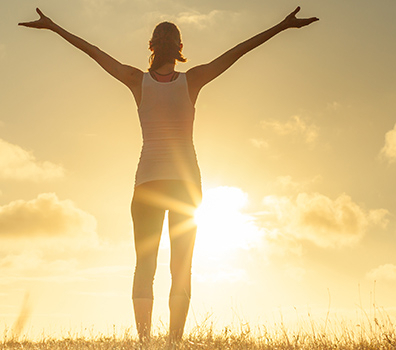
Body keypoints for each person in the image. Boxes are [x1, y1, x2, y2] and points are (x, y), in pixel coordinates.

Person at [19, 7, 318, 344]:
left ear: (152, 47)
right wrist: (282, 25)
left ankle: (146, 342)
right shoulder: (193, 80)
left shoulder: (137, 80)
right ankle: (175, 342)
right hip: (186, 185)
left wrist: (55, 26)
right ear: (178, 48)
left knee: (144, 267)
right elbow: (238, 51)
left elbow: (94, 52)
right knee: (181, 268)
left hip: (147, 184)